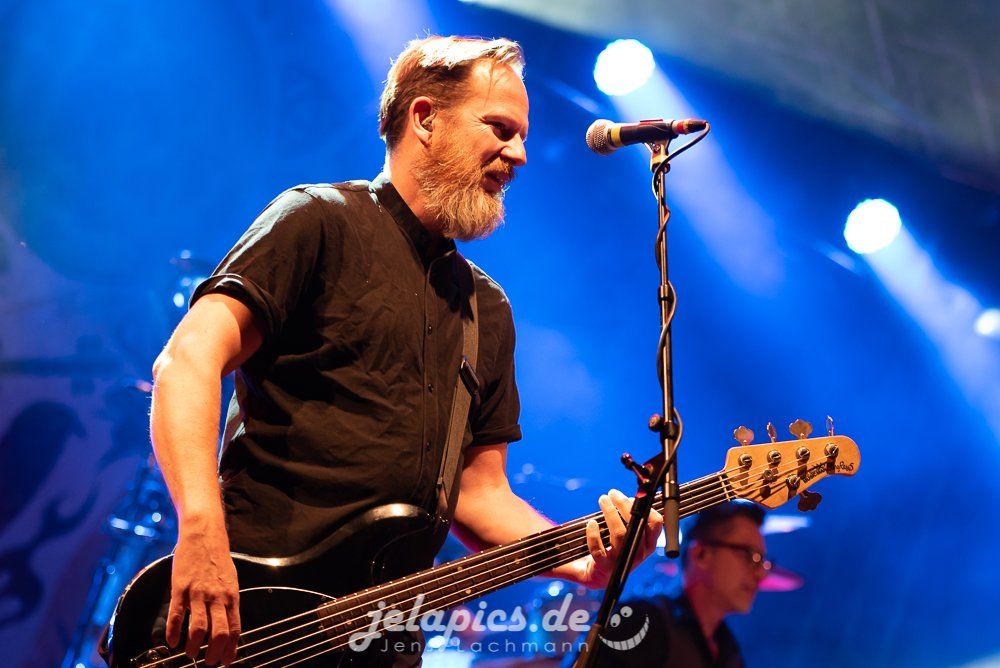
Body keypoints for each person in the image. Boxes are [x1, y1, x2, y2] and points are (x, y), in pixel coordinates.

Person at [148, 35, 662, 667]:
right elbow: (188, 362)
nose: (520, 154)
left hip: (378, 640)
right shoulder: (318, 220)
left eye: (523, 136)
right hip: (248, 615)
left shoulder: (485, 308)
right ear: (424, 118)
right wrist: (201, 532)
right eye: (500, 129)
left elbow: (479, 493)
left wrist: (584, 561)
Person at [589, 501, 768, 667]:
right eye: (750, 556)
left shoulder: (728, 648)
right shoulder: (638, 623)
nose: (761, 574)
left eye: (762, 561)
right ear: (701, 554)